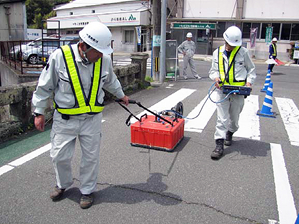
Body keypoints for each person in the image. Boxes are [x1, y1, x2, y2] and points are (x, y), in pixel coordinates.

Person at [32, 22, 129, 209]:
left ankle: (87, 191)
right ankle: (62, 184)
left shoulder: (104, 60)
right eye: (98, 51)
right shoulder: (59, 57)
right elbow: (45, 86)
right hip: (65, 119)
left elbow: (111, 80)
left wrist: (121, 95)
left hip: (92, 120)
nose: (101, 55)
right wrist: (39, 112)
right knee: (59, 156)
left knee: (90, 157)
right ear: (84, 46)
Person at [209, 26, 256, 160]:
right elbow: (213, 71)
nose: (230, 46)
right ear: (225, 40)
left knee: (234, 119)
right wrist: (216, 78)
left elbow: (251, 70)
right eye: (229, 43)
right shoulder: (217, 53)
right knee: (221, 119)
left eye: (233, 44)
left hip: (238, 91)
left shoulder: (243, 52)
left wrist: (249, 83)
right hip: (222, 90)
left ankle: (230, 132)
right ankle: (219, 144)